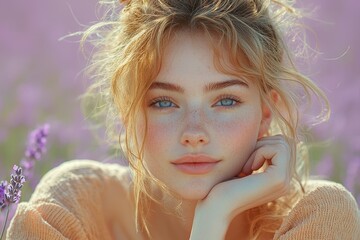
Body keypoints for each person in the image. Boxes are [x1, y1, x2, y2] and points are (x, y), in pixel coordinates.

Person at [6, 0, 360, 239]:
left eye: (225, 100)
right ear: (130, 114)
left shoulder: (317, 217)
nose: (194, 133)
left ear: (266, 113)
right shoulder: (77, 204)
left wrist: (215, 214)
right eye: (163, 102)